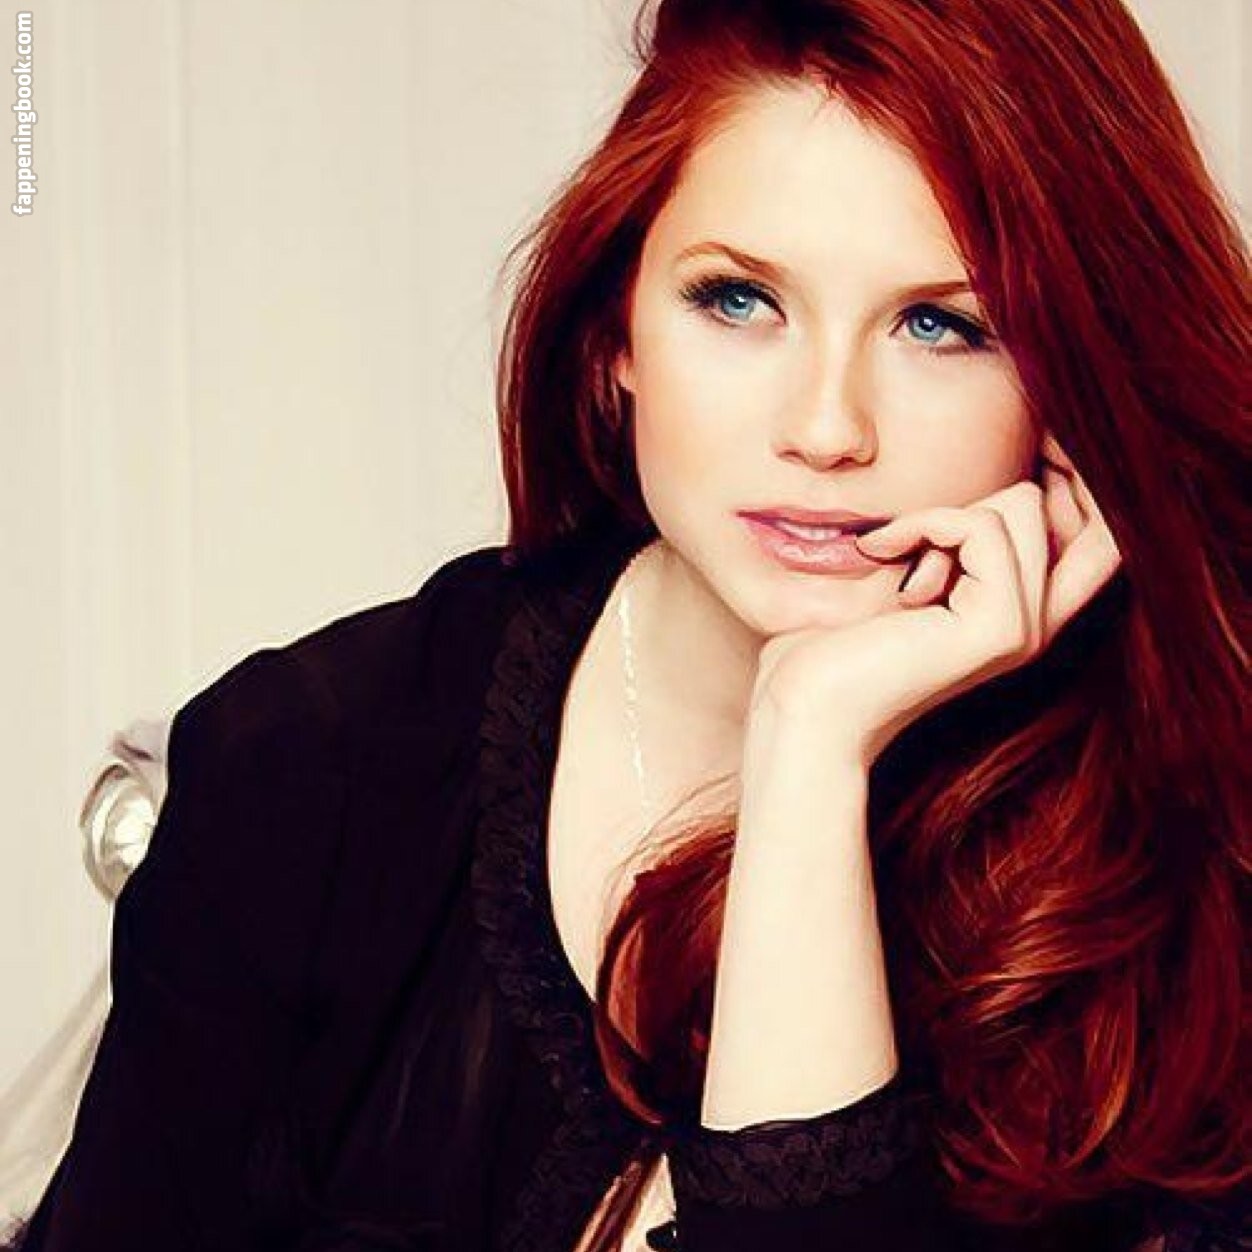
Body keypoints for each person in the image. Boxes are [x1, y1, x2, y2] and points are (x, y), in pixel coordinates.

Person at [9, 0, 1249, 1248]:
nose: (827, 428)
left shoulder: (1199, 847)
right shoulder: (311, 766)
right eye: (739, 301)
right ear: (616, 335)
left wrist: (808, 742)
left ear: (1072, 382)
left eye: (942, 326)